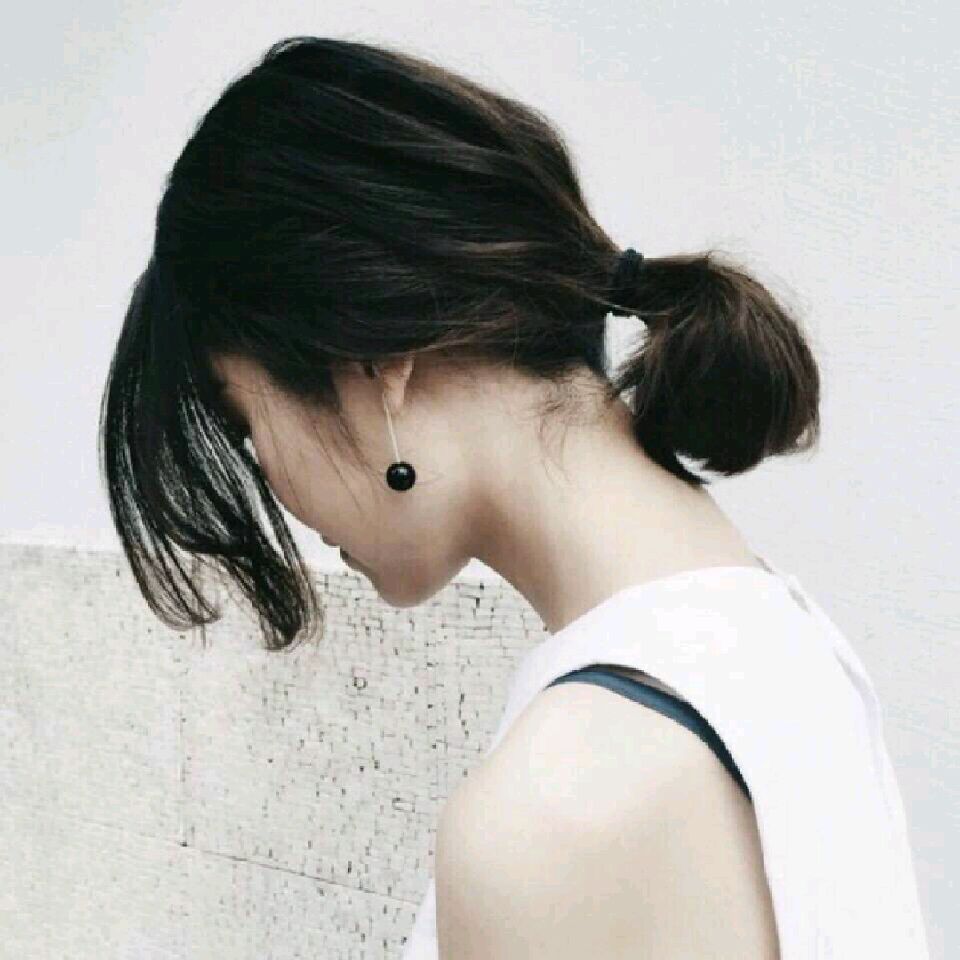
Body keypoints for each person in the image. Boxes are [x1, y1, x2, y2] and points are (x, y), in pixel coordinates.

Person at [99, 36, 929, 959]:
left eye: (248, 425)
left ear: (376, 364)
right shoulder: (788, 647)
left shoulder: (549, 814)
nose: (276, 487)